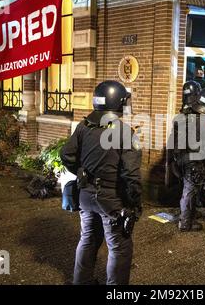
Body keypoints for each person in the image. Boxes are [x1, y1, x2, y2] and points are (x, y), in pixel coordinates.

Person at [60, 80, 142, 285]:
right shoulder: (125, 132)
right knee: (119, 247)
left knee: (88, 239)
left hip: (85, 195)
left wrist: (80, 172)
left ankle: (81, 282)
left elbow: (66, 155)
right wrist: (134, 203)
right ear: (117, 102)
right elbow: (131, 175)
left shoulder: (84, 126)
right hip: (111, 200)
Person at [168, 87, 205, 231]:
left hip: (181, 159)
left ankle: (190, 215)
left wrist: (173, 159)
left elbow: (173, 140)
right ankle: (185, 223)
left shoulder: (183, 116)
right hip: (195, 161)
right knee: (189, 192)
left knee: (189, 190)